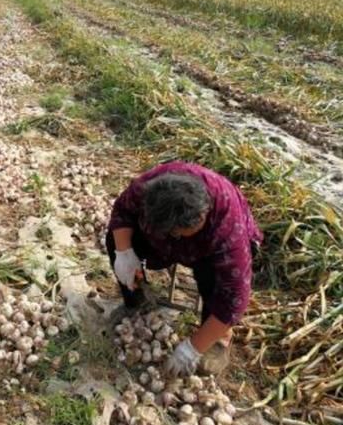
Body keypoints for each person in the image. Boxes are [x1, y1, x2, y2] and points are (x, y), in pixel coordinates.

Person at [106, 161, 262, 377]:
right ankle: (136, 303)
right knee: (116, 240)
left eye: (179, 232)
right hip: (161, 235)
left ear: (201, 216)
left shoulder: (227, 230)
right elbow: (123, 210)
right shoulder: (149, 187)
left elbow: (234, 298)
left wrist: (191, 349)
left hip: (208, 251)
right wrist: (124, 254)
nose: (175, 237)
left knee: (214, 280)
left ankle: (218, 340)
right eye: (170, 233)